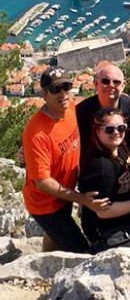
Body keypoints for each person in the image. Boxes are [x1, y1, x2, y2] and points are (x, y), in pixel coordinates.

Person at [22, 67, 110, 253]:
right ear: (44, 93)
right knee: (81, 251)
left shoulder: (70, 108)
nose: (63, 94)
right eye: (56, 89)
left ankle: (44, 264)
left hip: (65, 193)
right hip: (46, 205)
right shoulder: (37, 132)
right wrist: (81, 199)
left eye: (66, 87)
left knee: (55, 236)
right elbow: (42, 182)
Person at [78, 108, 130, 252]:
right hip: (109, 234)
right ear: (97, 131)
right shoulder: (101, 167)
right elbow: (103, 211)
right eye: (109, 129)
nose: (116, 132)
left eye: (121, 128)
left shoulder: (119, 149)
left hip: (126, 225)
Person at [76, 64, 130, 156]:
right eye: (105, 81)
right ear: (96, 83)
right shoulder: (80, 113)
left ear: (123, 85)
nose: (111, 85)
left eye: (116, 82)